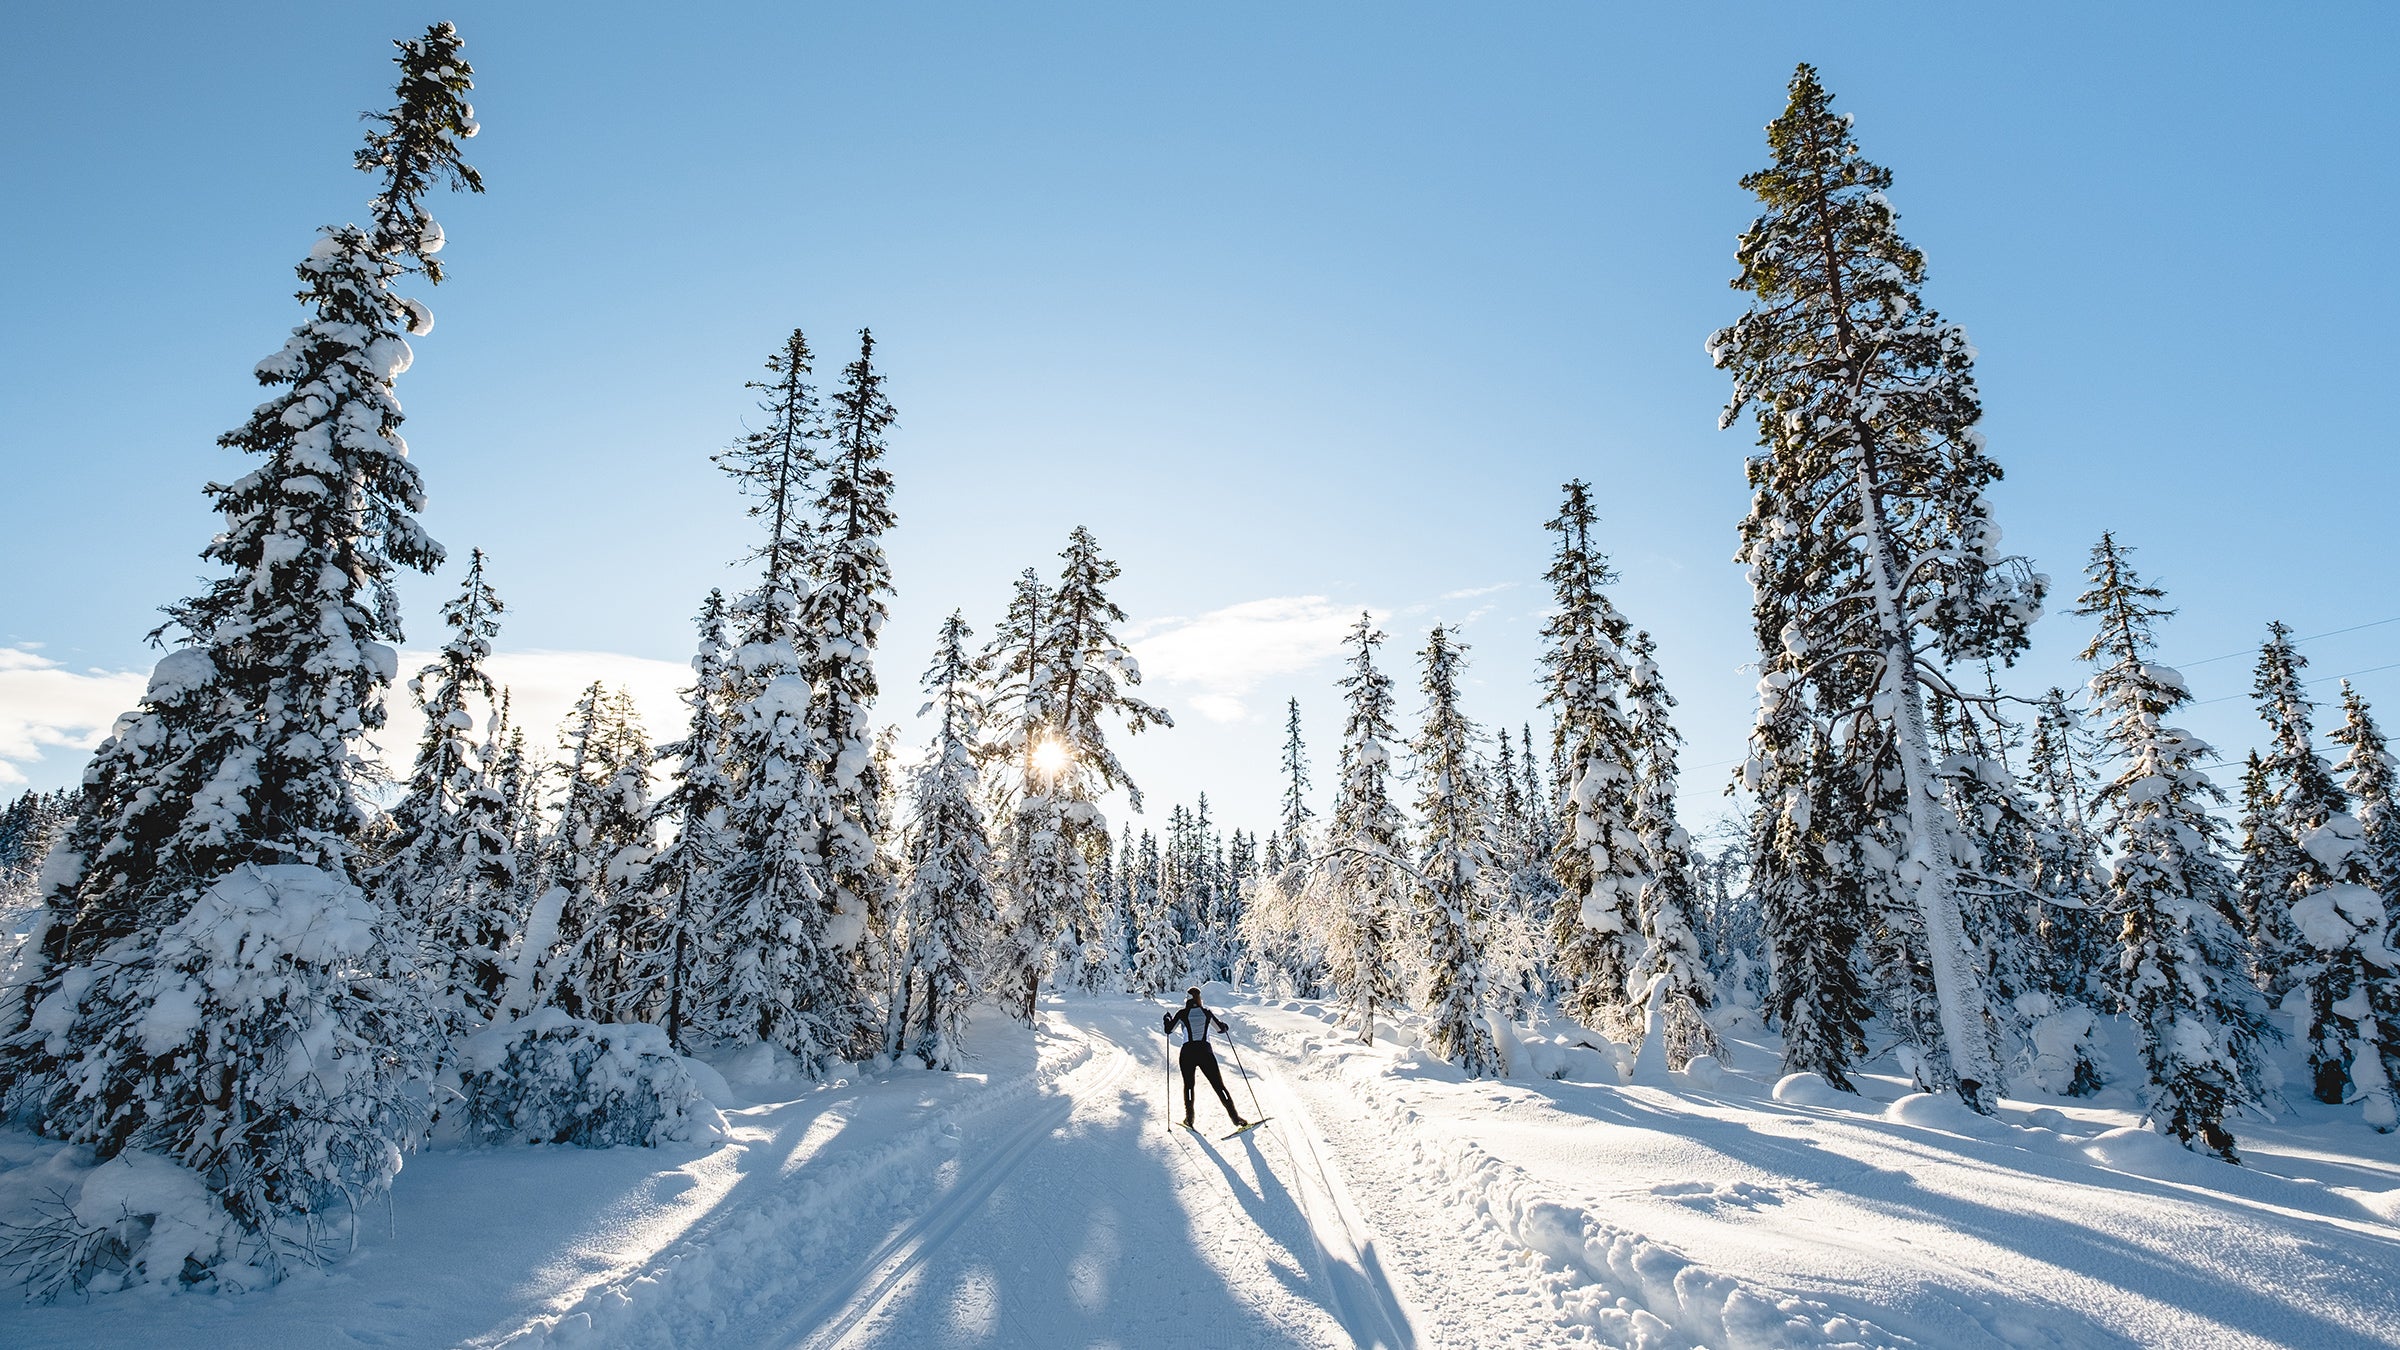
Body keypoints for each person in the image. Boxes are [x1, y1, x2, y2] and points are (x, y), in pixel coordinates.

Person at [1163, 986, 1247, 1131]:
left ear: (1187, 999)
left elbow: (1168, 1030)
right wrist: (1225, 1026)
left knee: (1189, 1086)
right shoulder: (1206, 1013)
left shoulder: (1182, 1014)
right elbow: (1220, 1029)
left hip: (1187, 1052)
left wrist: (1167, 1019)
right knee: (1219, 1086)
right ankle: (1235, 1118)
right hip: (1205, 1052)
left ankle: (1189, 1119)